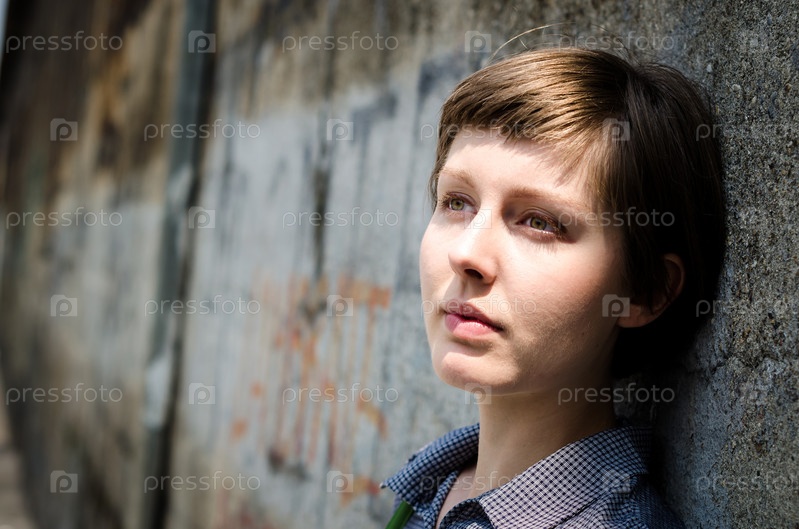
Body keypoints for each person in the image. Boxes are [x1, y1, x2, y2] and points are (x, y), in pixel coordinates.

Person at [381, 46, 726, 528]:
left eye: (540, 222)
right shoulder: (433, 485)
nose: (466, 254)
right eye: (457, 202)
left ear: (645, 290)